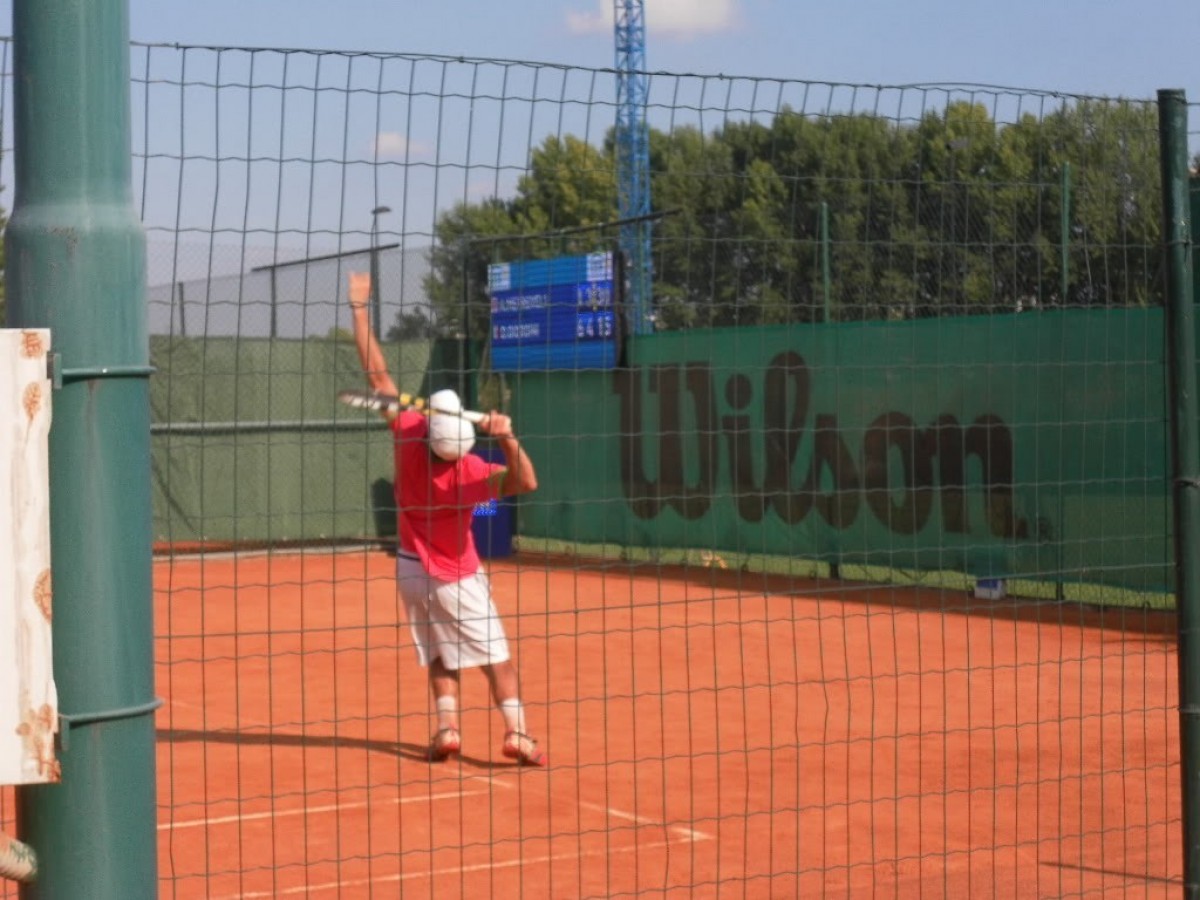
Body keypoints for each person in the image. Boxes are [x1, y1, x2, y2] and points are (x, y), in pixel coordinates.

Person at [346, 271, 546, 766]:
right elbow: (526, 482)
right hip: (457, 575)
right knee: (496, 659)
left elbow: (378, 377)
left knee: (439, 651)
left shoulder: (409, 434)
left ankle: (447, 728)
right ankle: (518, 734)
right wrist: (507, 436)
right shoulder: (472, 472)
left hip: (410, 571)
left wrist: (358, 309)